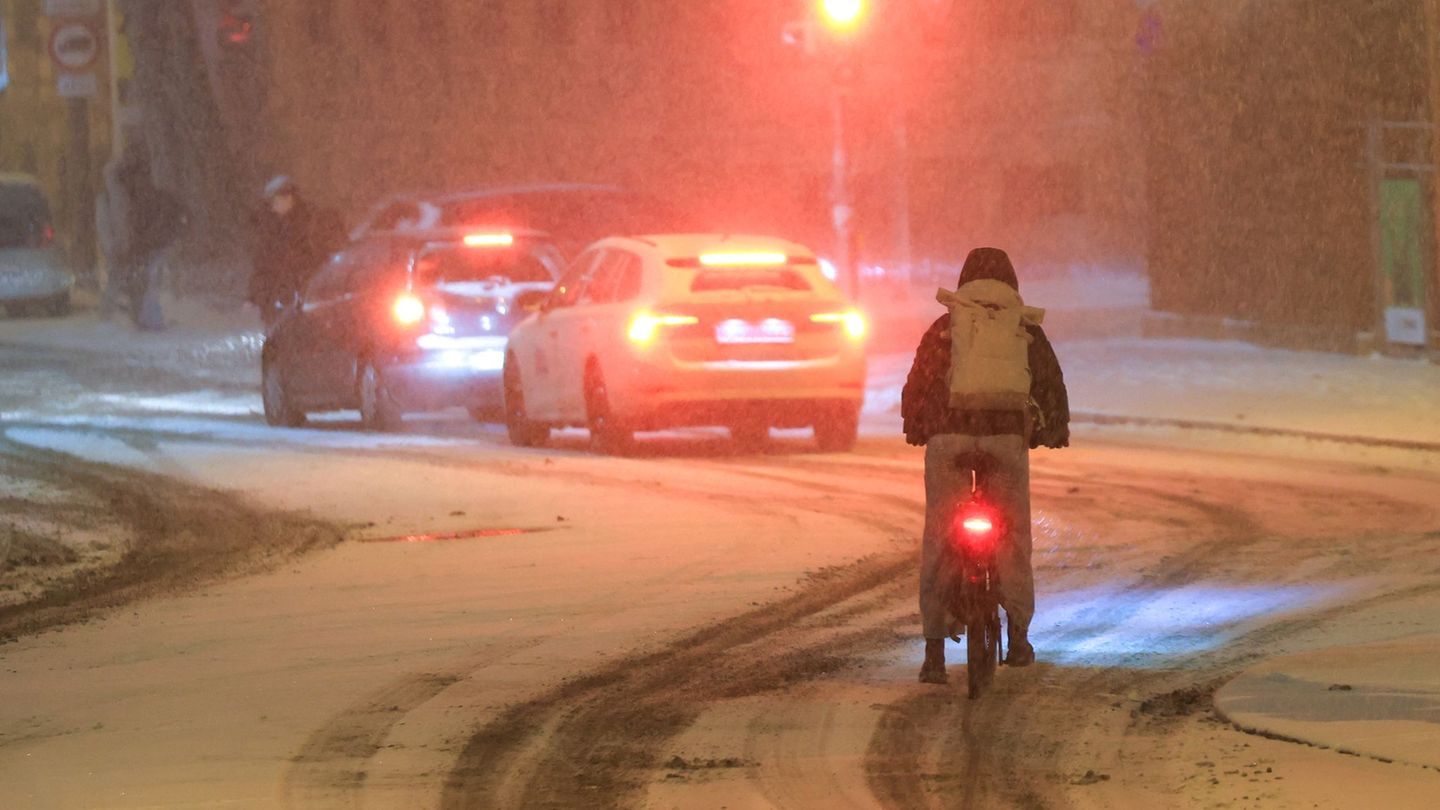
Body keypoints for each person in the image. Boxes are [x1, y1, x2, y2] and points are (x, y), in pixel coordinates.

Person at [901, 247, 1070, 684]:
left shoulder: (945, 326)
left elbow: (918, 384)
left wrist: (919, 427)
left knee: (939, 538)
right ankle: (1017, 639)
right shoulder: (1023, 325)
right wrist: (1053, 432)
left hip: (949, 438)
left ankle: (934, 653)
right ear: (1011, 283)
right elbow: (1050, 386)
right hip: (1004, 438)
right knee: (1013, 537)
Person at [248, 175, 344, 328]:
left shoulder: (311, 221)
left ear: (289, 198)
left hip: (304, 293)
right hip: (280, 295)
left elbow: (323, 255)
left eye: (275, 201)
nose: (272, 206)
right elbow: (262, 262)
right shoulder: (272, 225)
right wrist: (253, 296)